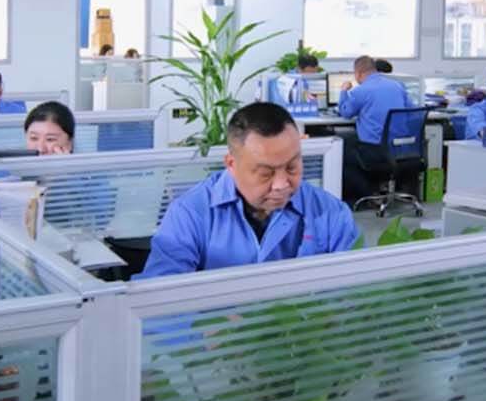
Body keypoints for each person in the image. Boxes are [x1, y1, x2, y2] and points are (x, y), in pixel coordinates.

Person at [137, 103, 357, 277]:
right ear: (231, 164)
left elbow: (358, 293)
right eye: (265, 173)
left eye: (292, 167)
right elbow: (158, 301)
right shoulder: (189, 214)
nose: (281, 184)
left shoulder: (331, 212)